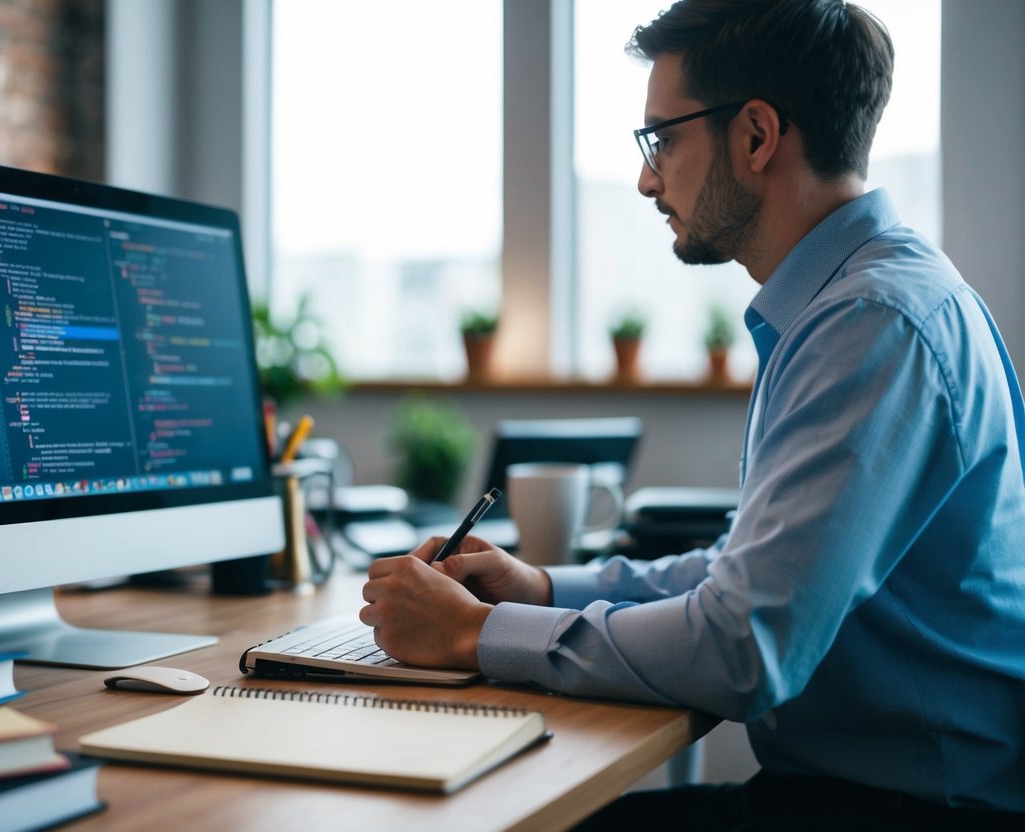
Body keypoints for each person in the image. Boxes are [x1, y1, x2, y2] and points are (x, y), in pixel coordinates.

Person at [359, 0, 1025, 828]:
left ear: (754, 135)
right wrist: (534, 587)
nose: (646, 177)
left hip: (914, 809)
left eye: (661, 139)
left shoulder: (870, 324)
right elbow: (742, 573)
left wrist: (474, 637)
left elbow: (742, 646)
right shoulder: (854, 303)